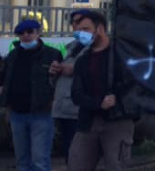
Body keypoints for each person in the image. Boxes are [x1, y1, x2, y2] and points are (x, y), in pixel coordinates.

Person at [68, 10, 138, 171]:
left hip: (118, 120)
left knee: (116, 165)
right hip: (88, 122)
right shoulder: (82, 60)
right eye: (79, 30)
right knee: (76, 163)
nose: (81, 34)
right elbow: (76, 94)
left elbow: (135, 87)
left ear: (100, 28)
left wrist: (117, 100)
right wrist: (98, 103)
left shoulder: (122, 55)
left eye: (86, 29)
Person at [0, 19, 63, 171]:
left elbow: (59, 82)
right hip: (17, 114)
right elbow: (5, 80)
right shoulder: (13, 55)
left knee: (40, 160)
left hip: (42, 113)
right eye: (21, 33)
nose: (26, 35)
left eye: (30, 32)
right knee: (21, 160)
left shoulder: (52, 54)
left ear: (38, 33)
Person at [53, 10, 91, 165]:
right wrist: (55, 71)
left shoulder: (98, 48)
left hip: (80, 110)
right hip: (64, 108)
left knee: (80, 155)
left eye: (81, 22)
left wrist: (75, 70)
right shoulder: (71, 48)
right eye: (74, 23)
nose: (77, 26)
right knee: (70, 154)